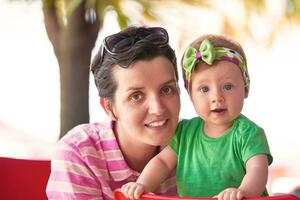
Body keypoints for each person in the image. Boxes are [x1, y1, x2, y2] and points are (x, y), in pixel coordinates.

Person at [121, 34, 273, 200]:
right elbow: (162, 163)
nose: (217, 97)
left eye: (228, 86)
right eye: (205, 89)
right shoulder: (185, 132)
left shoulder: (248, 133)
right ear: (190, 95)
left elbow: (257, 170)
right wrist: (142, 184)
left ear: (245, 89)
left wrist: (243, 192)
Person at [46, 26, 181, 199]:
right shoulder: (78, 153)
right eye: (136, 96)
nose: (158, 109)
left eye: (167, 90)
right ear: (109, 108)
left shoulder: (197, 141)